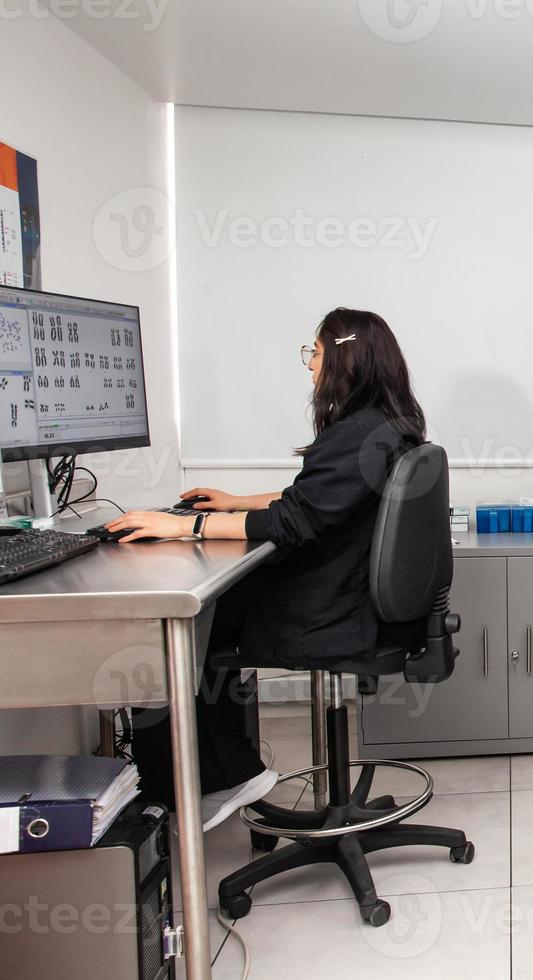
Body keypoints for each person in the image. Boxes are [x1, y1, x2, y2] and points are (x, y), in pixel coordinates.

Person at [116, 308, 427, 831]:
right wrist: (233, 503)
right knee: (217, 608)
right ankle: (225, 771)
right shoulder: (384, 426)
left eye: (316, 354)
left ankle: (212, 782)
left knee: (187, 622)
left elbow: (295, 520)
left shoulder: (359, 433)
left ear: (344, 358)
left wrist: (182, 529)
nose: (310, 368)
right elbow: (316, 499)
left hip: (334, 613)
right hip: (353, 601)